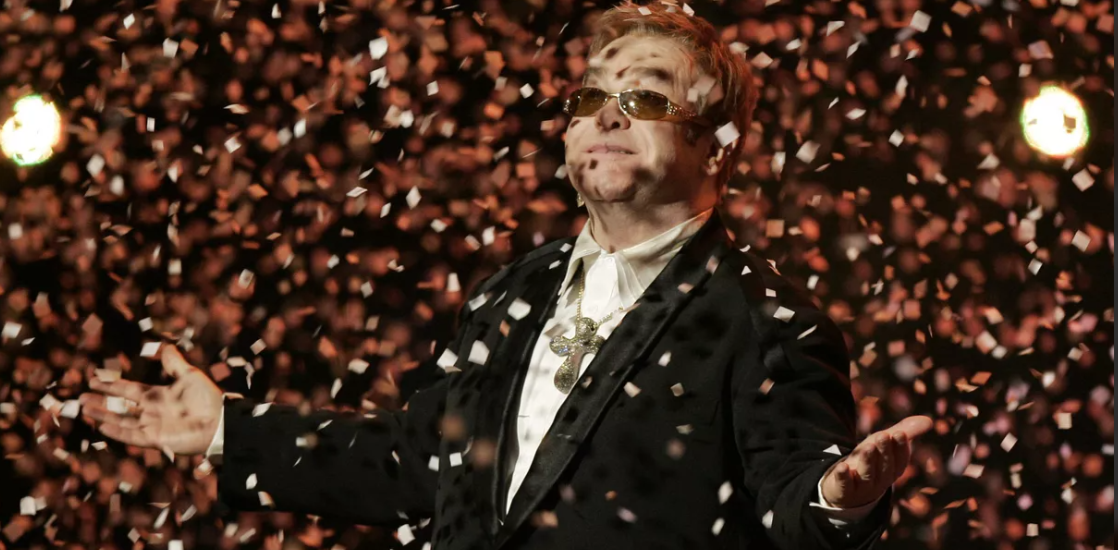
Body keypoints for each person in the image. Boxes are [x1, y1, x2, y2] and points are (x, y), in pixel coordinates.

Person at [78, 3, 933, 549]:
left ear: (717, 145)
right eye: (590, 98)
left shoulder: (766, 315)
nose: (605, 115)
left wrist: (840, 498)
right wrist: (229, 430)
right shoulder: (511, 290)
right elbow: (417, 462)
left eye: (644, 98)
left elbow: (792, 499)